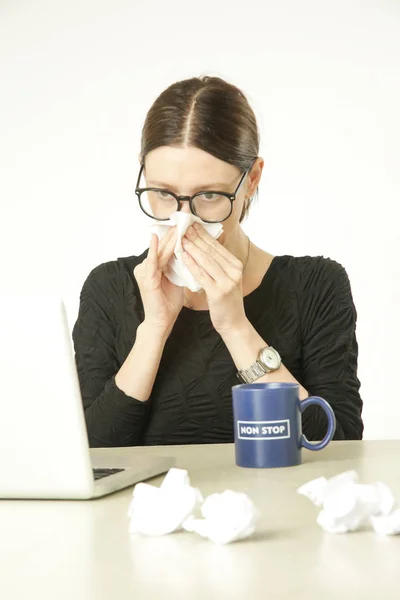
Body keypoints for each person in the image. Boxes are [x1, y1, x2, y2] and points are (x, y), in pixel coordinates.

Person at [72, 75, 363, 448]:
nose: (183, 218)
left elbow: (339, 449)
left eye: (209, 195)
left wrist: (236, 327)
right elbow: (89, 458)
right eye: (162, 193)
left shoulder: (316, 286)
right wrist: (154, 330)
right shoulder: (108, 288)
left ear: (252, 180)